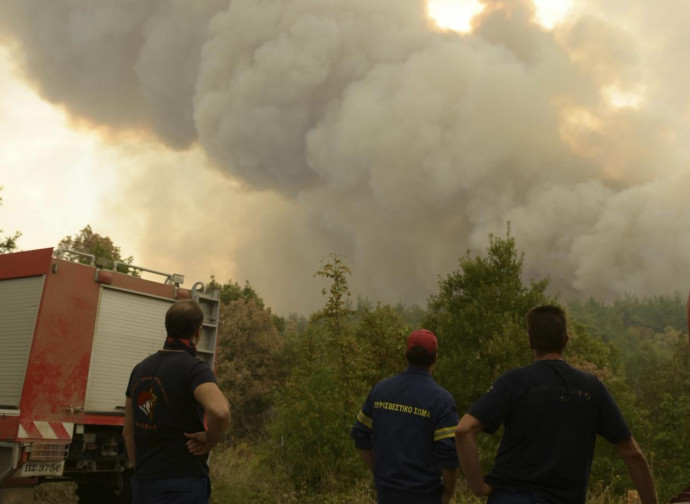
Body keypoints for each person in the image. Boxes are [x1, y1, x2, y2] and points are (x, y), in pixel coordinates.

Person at [455, 304, 658, 504]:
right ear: (566, 340)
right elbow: (632, 453)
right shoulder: (592, 388)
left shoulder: (514, 381)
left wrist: (478, 487)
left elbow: (464, 430)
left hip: (511, 496)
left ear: (530, 341)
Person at [123, 299, 230, 504]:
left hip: (144, 484)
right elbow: (221, 411)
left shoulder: (139, 369)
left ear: (167, 327)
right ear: (198, 332)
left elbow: (128, 431)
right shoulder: (194, 370)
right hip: (183, 485)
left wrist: (143, 471)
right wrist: (210, 440)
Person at [351, 329, 460, 504]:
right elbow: (450, 455)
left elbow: (361, 435)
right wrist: (448, 493)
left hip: (387, 494)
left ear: (406, 354)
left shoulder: (380, 390)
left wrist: (380, 475)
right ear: (435, 358)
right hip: (425, 495)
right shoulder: (441, 400)